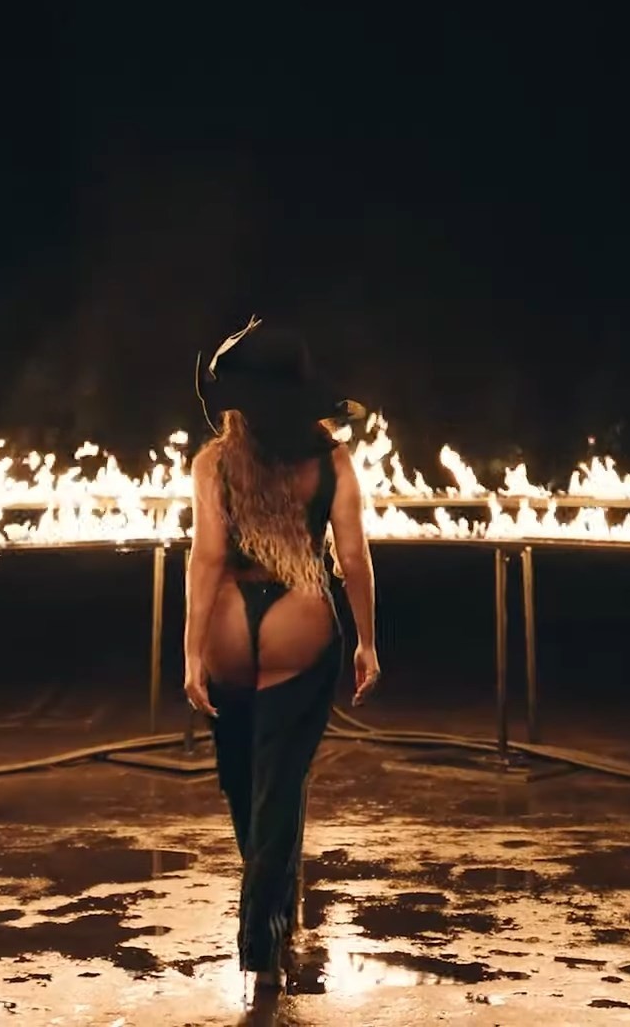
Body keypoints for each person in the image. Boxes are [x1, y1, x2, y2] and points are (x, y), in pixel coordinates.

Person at [181, 317, 382, 994]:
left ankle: (269, 915)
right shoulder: (331, 462)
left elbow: (207, 560)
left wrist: (191, 654)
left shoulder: (213, 463)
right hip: (300, 619)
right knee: (280, 788)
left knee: (243, 785)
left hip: (228, 629)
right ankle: (262, 947)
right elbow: (353, 559)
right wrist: (366, 642)